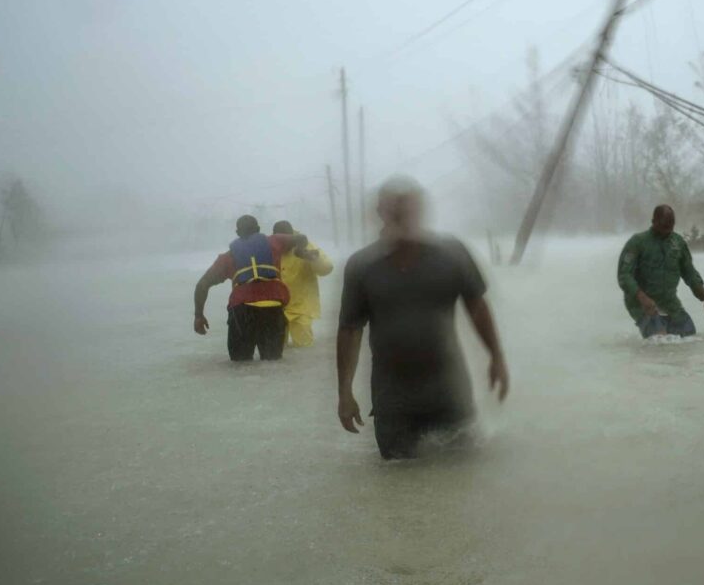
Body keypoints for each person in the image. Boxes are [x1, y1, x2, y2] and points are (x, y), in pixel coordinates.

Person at [336, 177, 509, 460]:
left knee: (463, 482)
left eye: (409, 209)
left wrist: (496, 357)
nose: (402, 217)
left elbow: (477, 307)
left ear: (421, 212)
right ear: (381, 213)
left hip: (449, 393)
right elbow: (350, 329)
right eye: (394, 210)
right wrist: (344, 392)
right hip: (393, 402)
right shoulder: (362, 265)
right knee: (397, 487)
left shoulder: (452, 254)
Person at [193, 214, 308, 361]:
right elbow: (301, 238)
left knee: (240, 365)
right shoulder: (275, 241)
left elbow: (202, 285)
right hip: (272, 311)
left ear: (237, 233)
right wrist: (300, 251)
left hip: (242, 313)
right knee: (273, 364)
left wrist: (198, 316)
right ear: (259, 230)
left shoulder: (227, 258)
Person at [617, 204, 704, 338]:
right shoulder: (638, 242)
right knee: (659, 341)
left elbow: (690, 273)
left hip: (669, 302)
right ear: (653, 221)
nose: (667, 230)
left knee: (690, 335)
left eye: (671, 226)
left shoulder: (677, 243)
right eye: (664, 226)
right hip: (640, 303)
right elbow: (624, 276)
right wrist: (642, 298)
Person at [271, 220, 333, 348]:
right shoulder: (271, 247)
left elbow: (327, 268)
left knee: (304, 349)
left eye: (287, 240)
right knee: (275, 351)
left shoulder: (306, 245)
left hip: (301, 308)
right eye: (281, 240)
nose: (284, 243)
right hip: (277, 307)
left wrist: (312, 258)